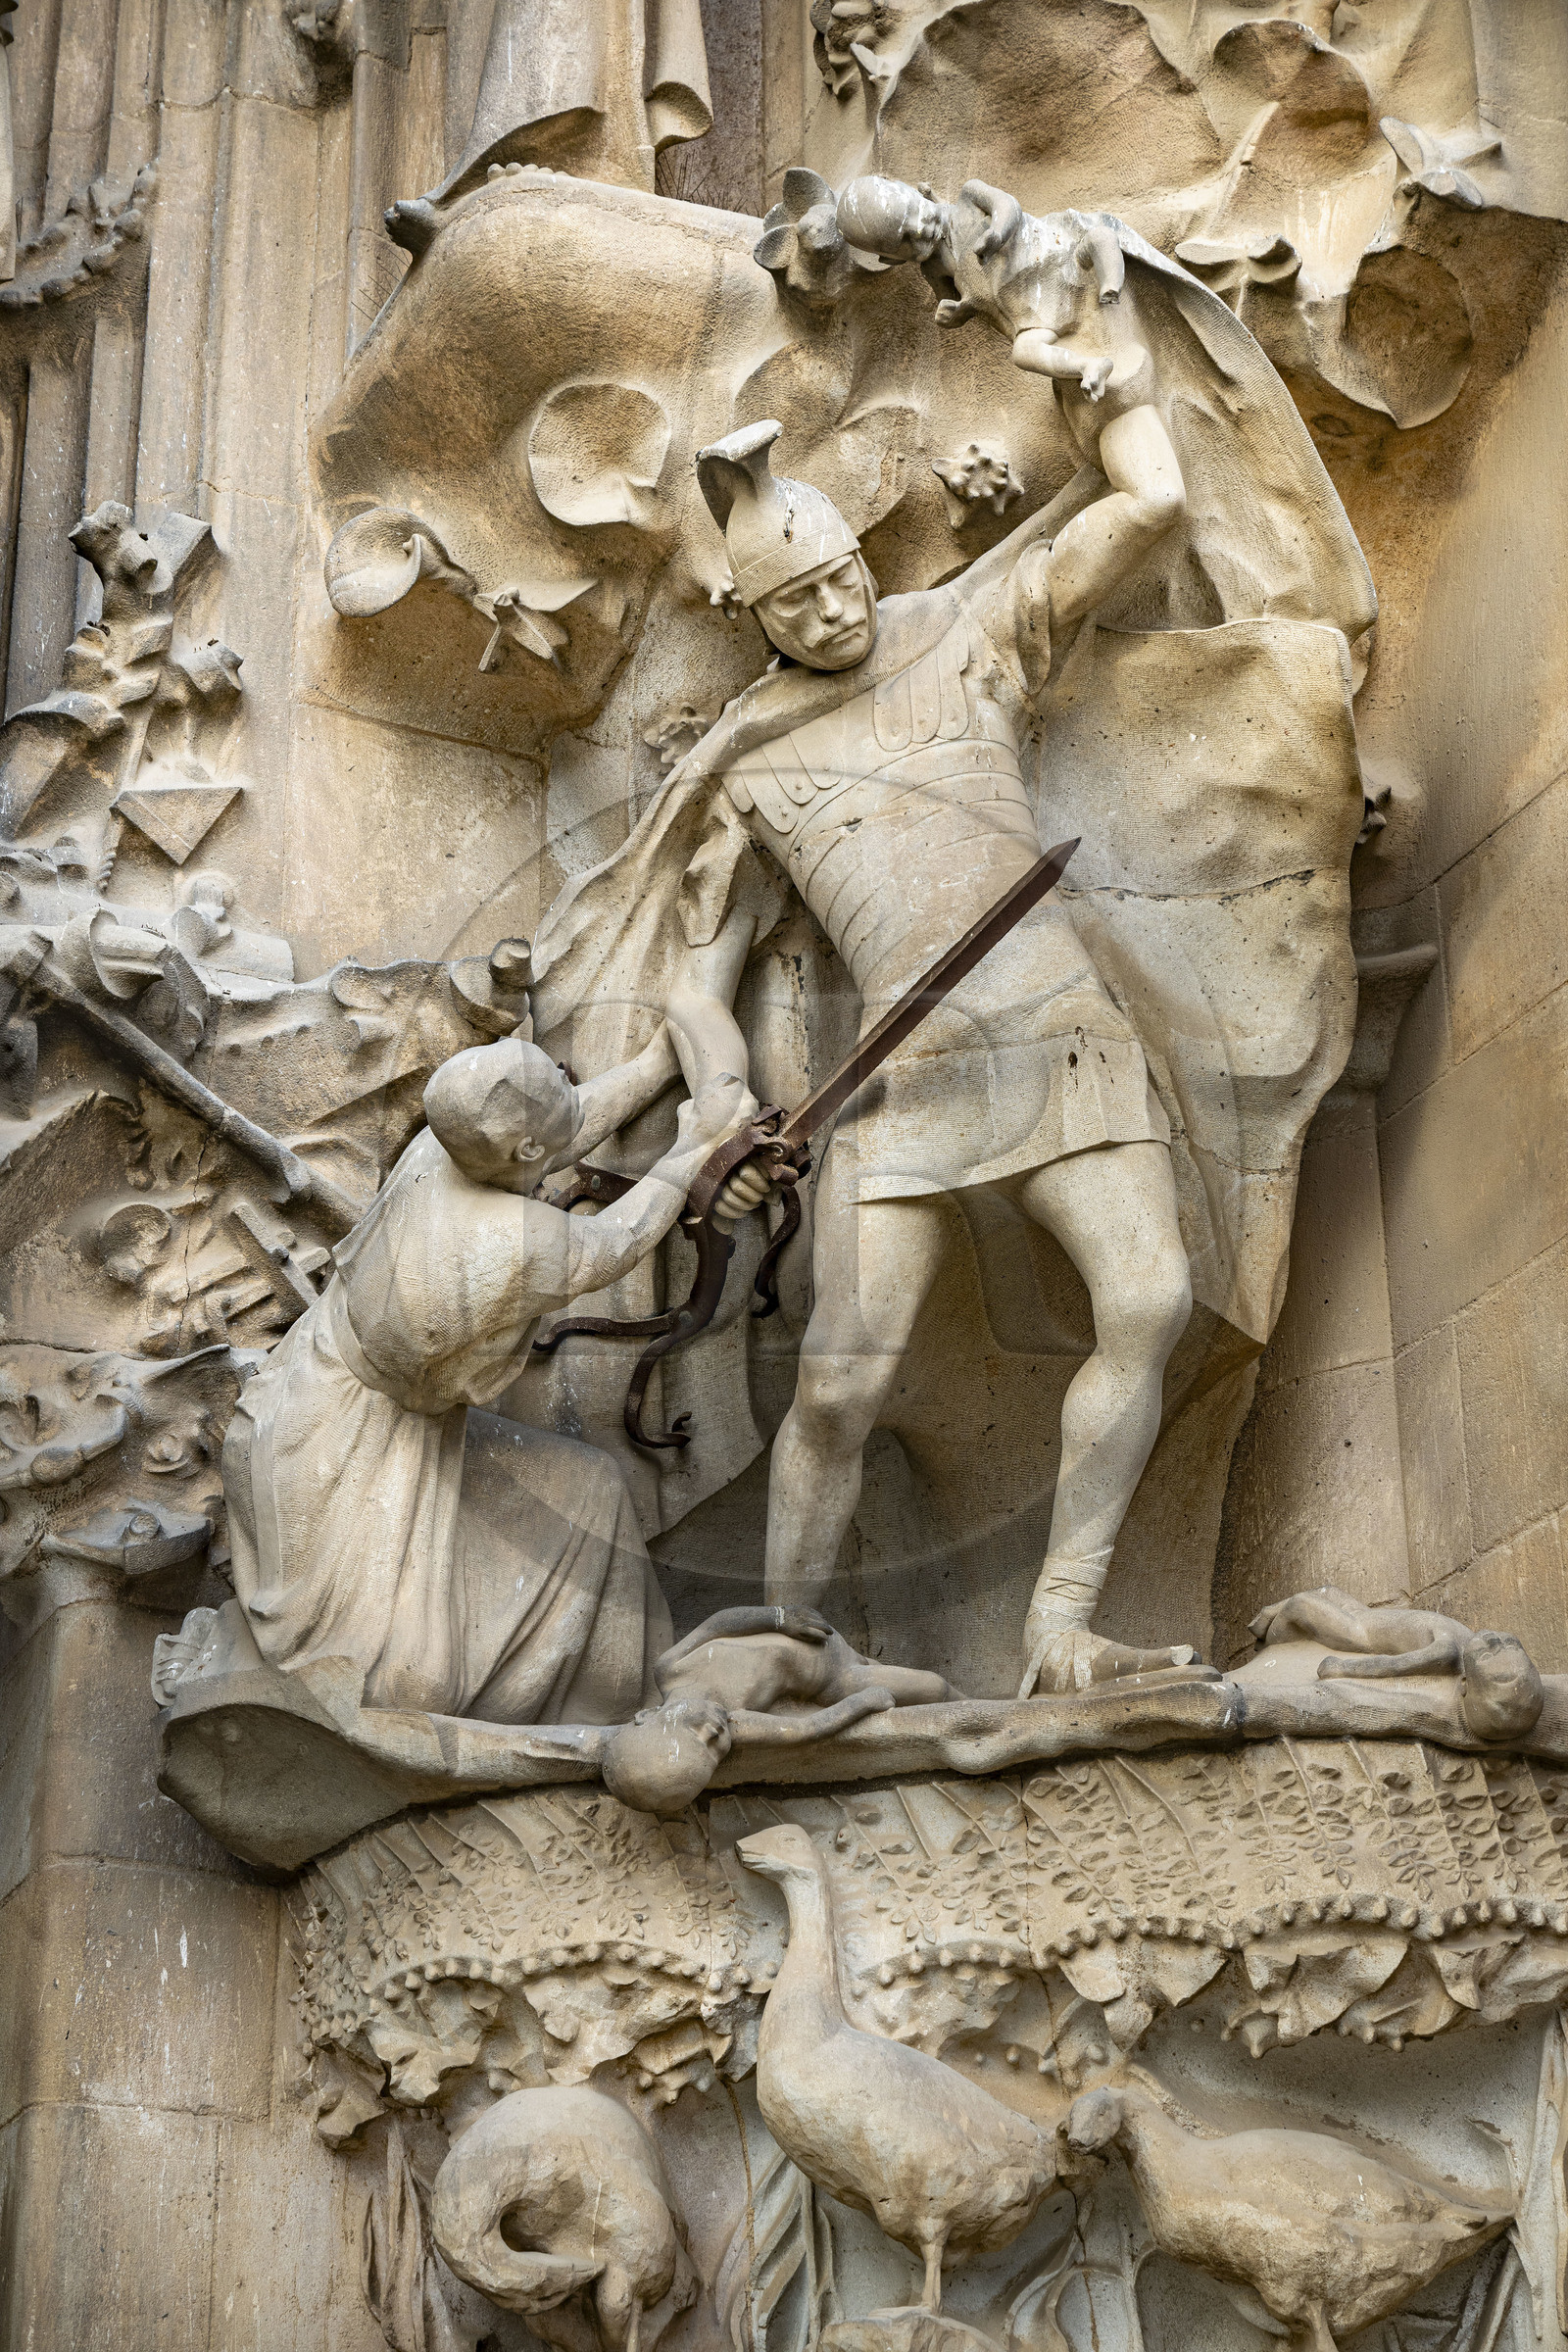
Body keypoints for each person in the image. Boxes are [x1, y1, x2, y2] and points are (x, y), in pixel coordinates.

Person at [224, 1027, 753, 1726]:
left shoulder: (440, 1146)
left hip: (305, 1386)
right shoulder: (519, 1243)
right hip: (340, 1452)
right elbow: (617, 1241)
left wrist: (657, 1060)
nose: (571, 1095)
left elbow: (568, 1122)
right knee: (402, 1689)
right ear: (525, 1152)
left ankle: (612, 1707)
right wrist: (692, 1150)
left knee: (592, 1491)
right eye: (555, 1096)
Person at [601, 1602, 956, 1816]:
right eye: (713, 1752)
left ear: (646, 1716)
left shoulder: (671, 1667)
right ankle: (985, 1710)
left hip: (817, 1635)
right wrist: (860, 1702)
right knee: (934, 1687)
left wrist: (778, 1616)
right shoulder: (736, 1721)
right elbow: (808, 1728)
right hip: (838, 1679)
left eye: (694, 1734)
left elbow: (717, 1624)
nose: (714, 1735)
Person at [1250, 1586, 1544, 1740]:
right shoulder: (1464, 1643)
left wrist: (1344, 1668)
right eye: (1509, 1643)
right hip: (1362, 1615)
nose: (1494, 1640)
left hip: (1355, 1633)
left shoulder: (1447, 1653)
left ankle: (1264, 1648)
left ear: (1466, 1684)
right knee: (1327, 1592)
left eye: (1488, 1653)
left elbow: (1392, 1666)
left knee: (1299, 1606)